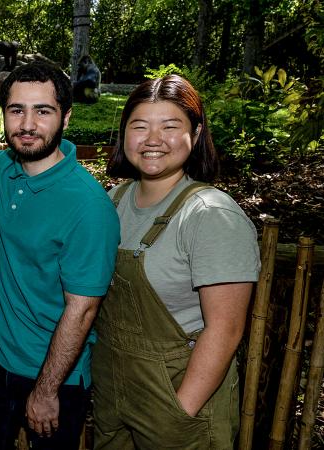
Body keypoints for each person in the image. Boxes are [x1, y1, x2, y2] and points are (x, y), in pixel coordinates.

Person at [91, 74, 261, 449]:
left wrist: (180, 412)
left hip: (177, 401)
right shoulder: (112, 202)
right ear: (124, 135)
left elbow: (226, 330)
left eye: (170, 126)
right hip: (113, 396)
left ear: (196, 135)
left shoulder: (211, 215)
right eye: (140, 126)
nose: (153, 140)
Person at [0, 61, 120, 449]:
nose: (28, 124)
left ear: (65, 117)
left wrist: (46, 390)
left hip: (52, 375)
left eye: (43, 111)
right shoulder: (7, 171)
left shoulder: (87, 205)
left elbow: (82, 309)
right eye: (17, 110)